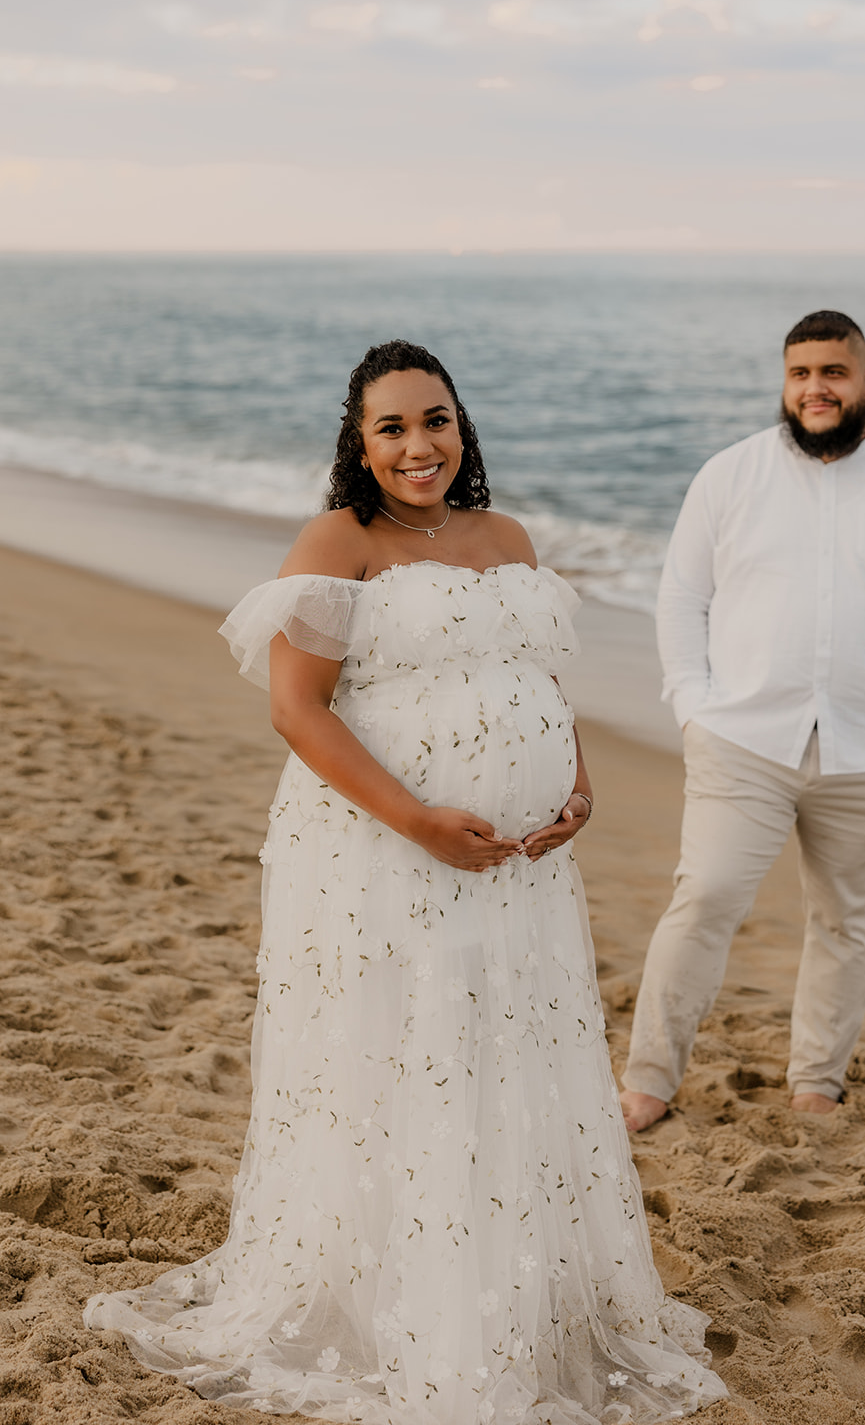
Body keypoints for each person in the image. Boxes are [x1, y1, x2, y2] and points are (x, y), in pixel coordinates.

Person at [85, 340, 726, 1424]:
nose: (418, 444)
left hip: (518, 871)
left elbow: (535, 678)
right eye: (391, 427)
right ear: (359, 442)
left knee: (504, 1049)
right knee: (406, 1049)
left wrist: (572, 782)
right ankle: (407, 1296)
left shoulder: (507, 536)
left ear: (460, 423)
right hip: (386, 856)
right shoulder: (341, 540)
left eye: (434, 419)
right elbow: (297, 709)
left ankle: (516, 1279)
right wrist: (420, 820)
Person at [620, 310, 865, 1134]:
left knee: (843, 921)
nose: (815, 388)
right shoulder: (728, 476)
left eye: (832, 372)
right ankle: (648, 1081)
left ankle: (816, 1081)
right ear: (785, 382)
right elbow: (682, 598)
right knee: (702, 897)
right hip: (740, 740)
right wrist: (691, 706)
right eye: (800, 373)